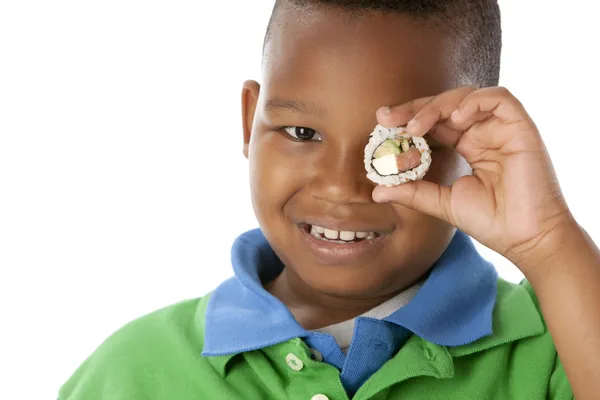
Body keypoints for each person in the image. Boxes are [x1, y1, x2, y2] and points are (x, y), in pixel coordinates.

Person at [59, 1, 600, 399]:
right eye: (301, 134)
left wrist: (548, 242)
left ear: (467, 146)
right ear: (251, 120)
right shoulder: (130, 373)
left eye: (398, 146)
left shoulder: (562, 345)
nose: (343, 187)